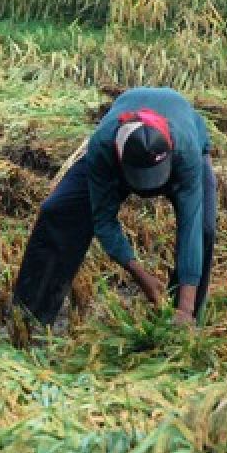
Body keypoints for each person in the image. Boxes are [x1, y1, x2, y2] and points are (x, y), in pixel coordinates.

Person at [12, 87, 216, 328]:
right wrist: (141, 276)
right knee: (58, 212)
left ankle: (184, 320)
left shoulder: (185, 149)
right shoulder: (103, 146)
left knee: (203, 229)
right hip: (114, 159)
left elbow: (190, 224)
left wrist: (185, 307)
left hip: (183, 152)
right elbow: (104, 221)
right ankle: (29, 319)